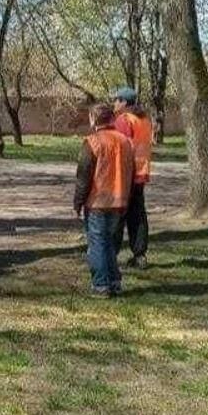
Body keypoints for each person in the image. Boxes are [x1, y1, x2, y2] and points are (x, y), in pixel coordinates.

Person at [74, 104, 135, 297]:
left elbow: (83, 176)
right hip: (120, 200)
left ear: (93, 119)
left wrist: (78, 202)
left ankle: (100, 284)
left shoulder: (92, 142)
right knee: (109, 243)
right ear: (111, 119)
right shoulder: (125, 142)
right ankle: (114, 281)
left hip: (98, 201)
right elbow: (131, 172)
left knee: (98, 244)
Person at [112, 87, 153, 269]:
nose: (114, 103)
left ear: (124, 102)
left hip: (125, 173)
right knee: (137, 215)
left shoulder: (124, 120)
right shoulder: (144, 119)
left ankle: (111, 254)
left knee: (117, 214)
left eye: (116, 99)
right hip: (141, 173)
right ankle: (140, 254)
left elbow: (122, 147)